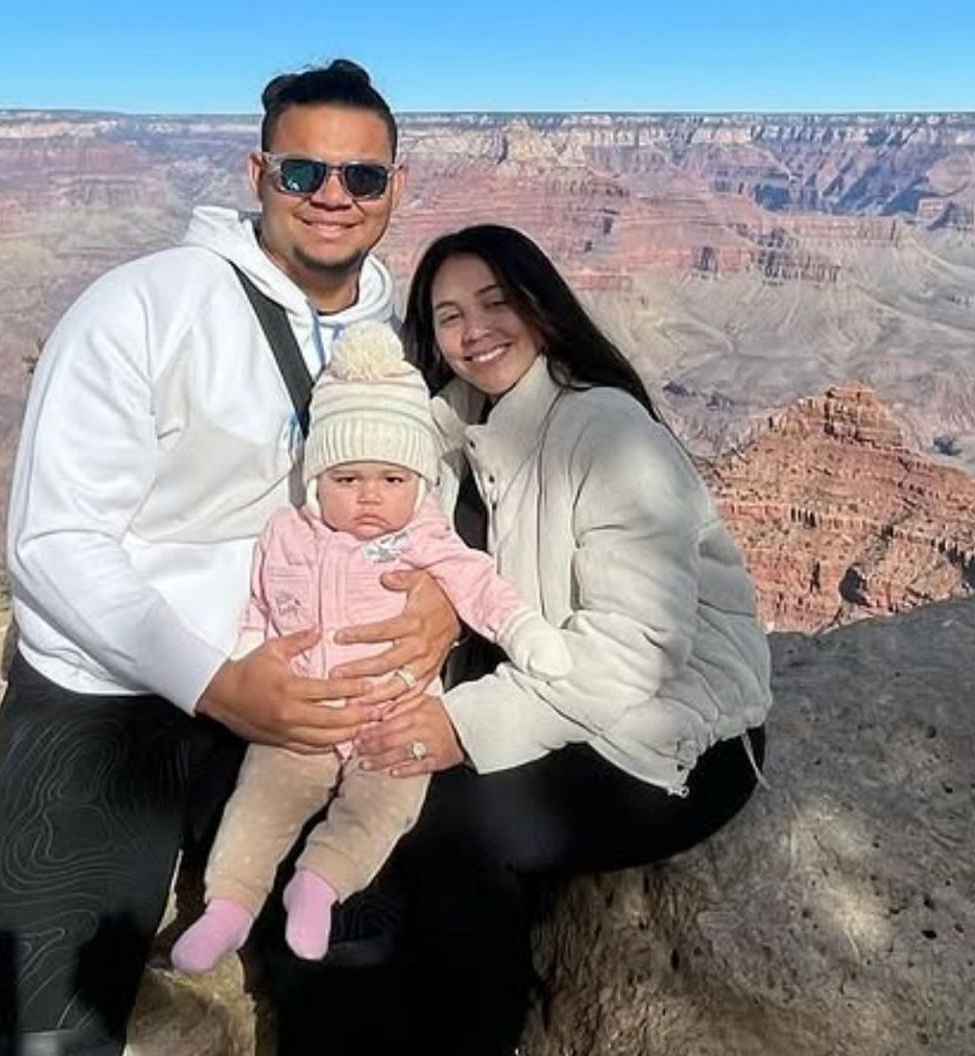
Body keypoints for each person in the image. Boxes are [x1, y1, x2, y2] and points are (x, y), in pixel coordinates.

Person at [0, 60, 460, 1056]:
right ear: (257, 172)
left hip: (310, 700)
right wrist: (219, 684)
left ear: (395, 188)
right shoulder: (141, 309)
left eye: (362, 178)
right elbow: (55, 547)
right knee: (50, 1025)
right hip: (113, 706)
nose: (334, 197)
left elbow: (432, 485)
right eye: (304, 171)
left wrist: (443, 604)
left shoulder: (394, 334)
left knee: (361, 976)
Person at [327, 222, 776, 1056]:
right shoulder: (463, 422)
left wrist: (463, 728)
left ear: (541, 308)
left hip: (681, 733)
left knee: (448, 828)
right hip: (572, 696)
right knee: (370, 793)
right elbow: (378, 460)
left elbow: (636, 653)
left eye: (497, 303)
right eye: (449, 315)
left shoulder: (608, 435)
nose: (474, 332)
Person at [168, 323, 570, 974]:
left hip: (393, 717)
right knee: (258, 804)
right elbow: (258, 605)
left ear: (417, 483)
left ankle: (317, 888)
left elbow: (478, 585)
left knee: (382, 810)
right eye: (347, 478)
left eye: (391, 478)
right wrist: (247, 657)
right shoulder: (285, 535)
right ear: (316, 479)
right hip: (303, 716)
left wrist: (523, 632)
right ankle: (228, 909)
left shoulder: (424, 536)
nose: (370, 497)